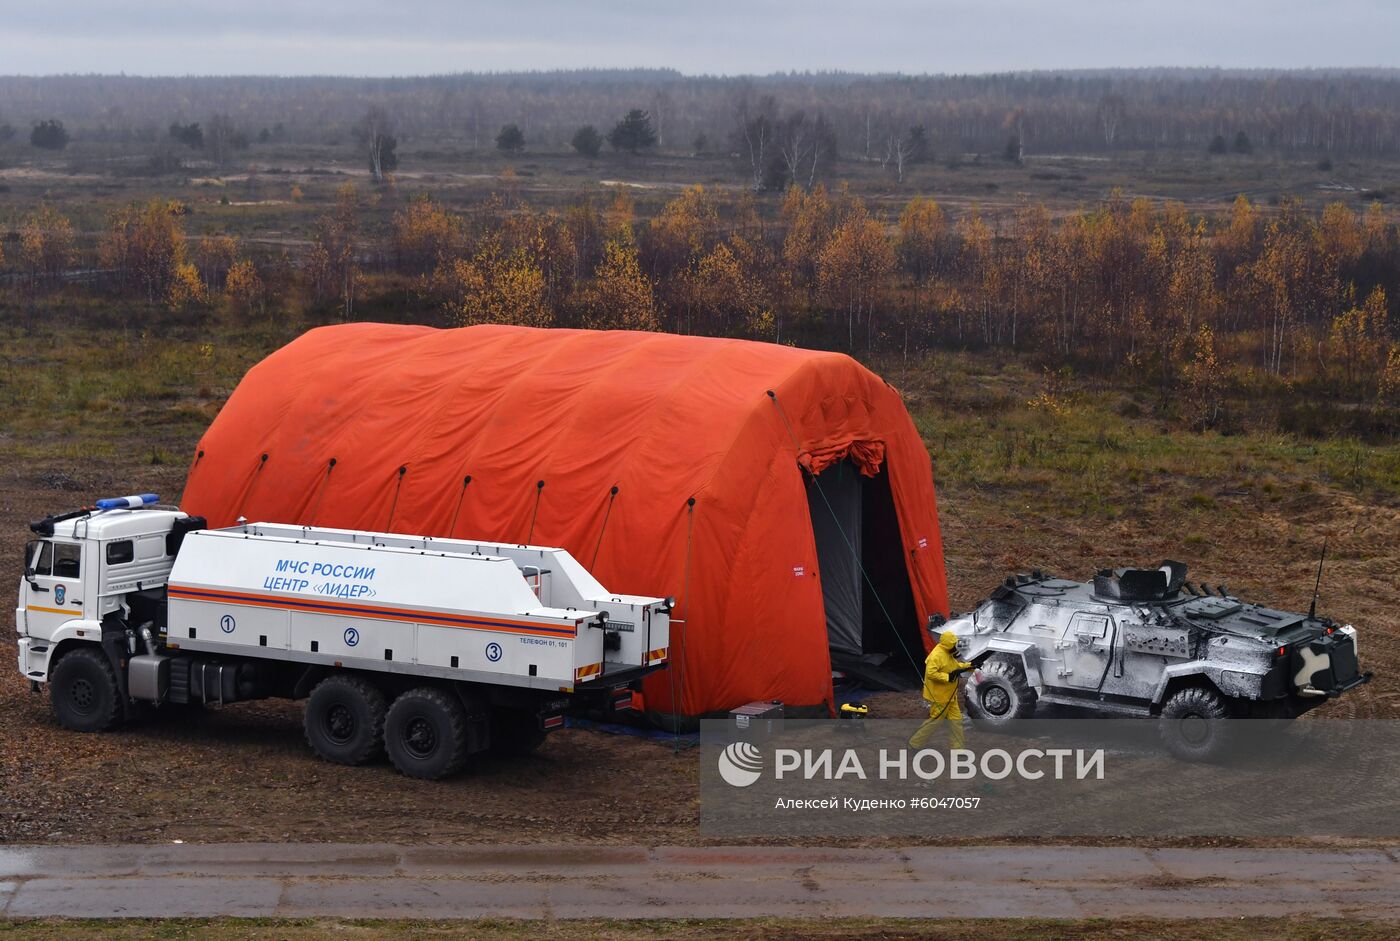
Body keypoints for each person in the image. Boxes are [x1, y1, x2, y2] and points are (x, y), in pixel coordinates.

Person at [909, 629, 972, 751]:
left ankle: (958, 749)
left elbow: (955, 667)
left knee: (956, 721)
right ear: (948, 644)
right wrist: (948, 677)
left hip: (950, 694)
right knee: (935, 721)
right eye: (953, 644)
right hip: (939, 696)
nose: (955, 646)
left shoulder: (948, 652)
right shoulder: (936, 656)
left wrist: (970, 665)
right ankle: (914, 744)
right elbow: (931, 673)